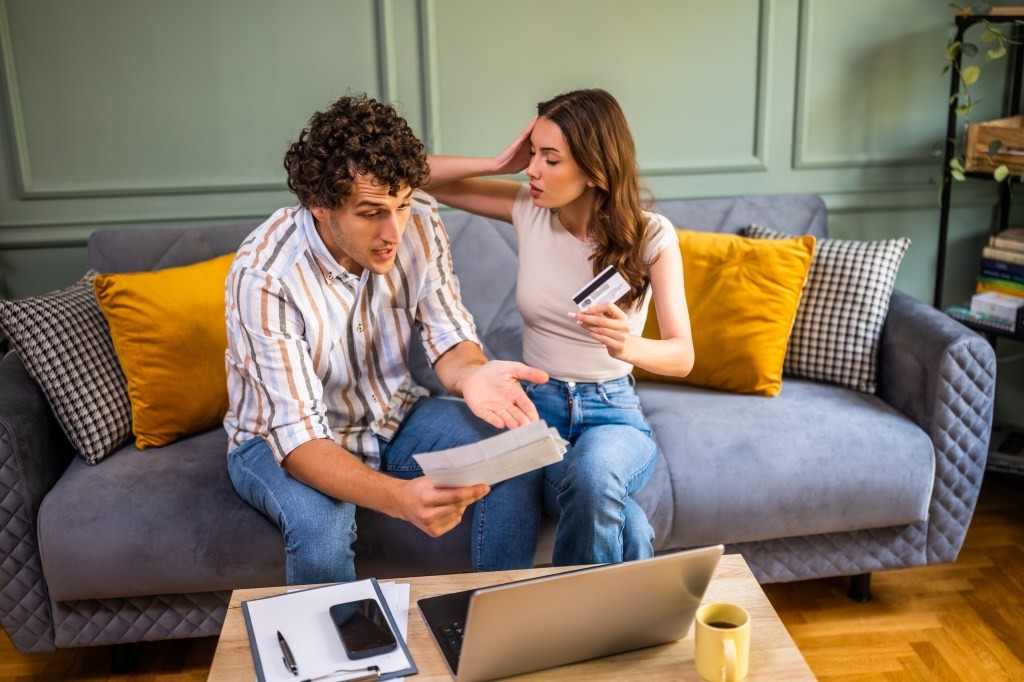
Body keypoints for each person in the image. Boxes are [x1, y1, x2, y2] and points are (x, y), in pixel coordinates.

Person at [223, 94, 549, 585]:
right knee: (322, 526)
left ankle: (500, 623)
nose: (393, 230)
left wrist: (473, 375)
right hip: (277, 441)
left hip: (392, 414)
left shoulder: (417, 218)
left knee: (513, 449)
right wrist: (401, 499)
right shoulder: (265, 276)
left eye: (400, 204)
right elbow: (300, 439)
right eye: (371, 211)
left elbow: (449, 336)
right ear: (318, 203)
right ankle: (338, 661)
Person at [423, 88, 694, 566]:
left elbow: (681, 355)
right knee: (620, 520)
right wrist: (495, 161)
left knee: (593, 476)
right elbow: (413, 177)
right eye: (533, 154)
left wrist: (628, 345)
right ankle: (509, 617)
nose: (533, 170)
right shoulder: (527, 208)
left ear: (593, 170)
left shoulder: (652, 235)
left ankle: (569, 622)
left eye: (551, 159)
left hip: (612, 410)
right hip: (536, 406)